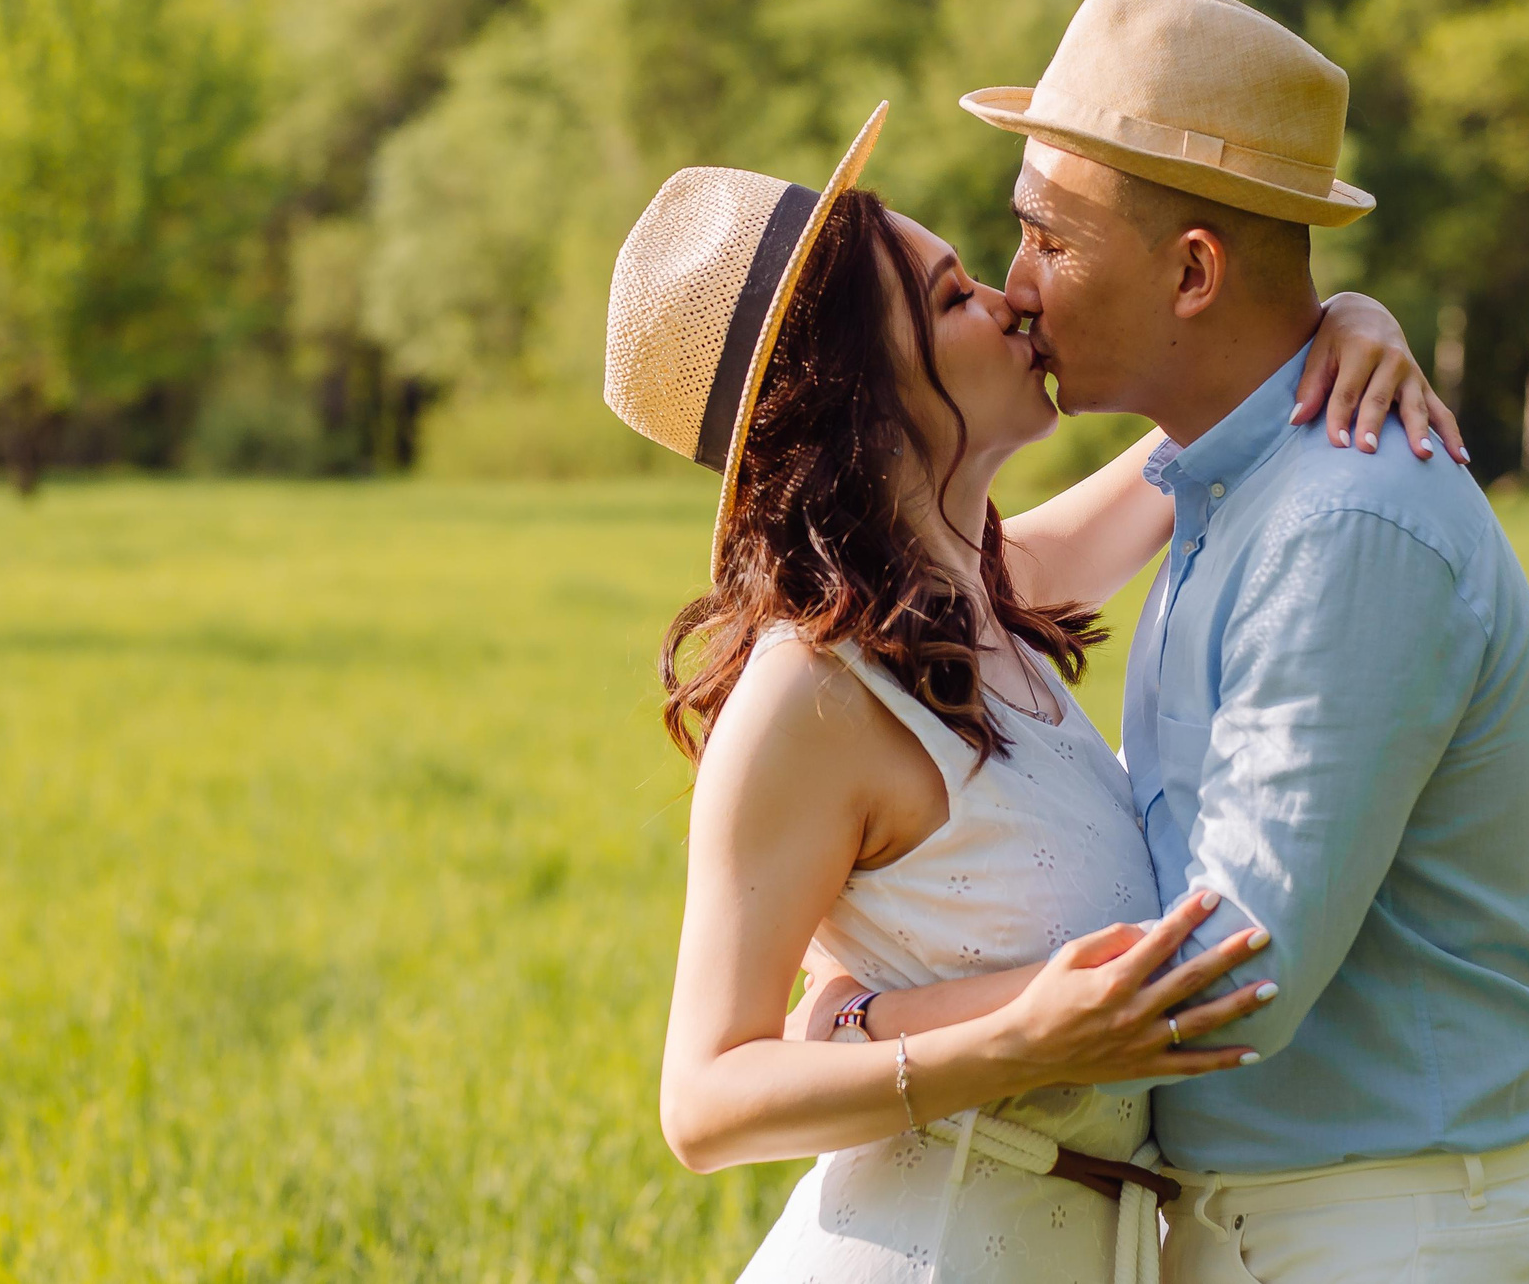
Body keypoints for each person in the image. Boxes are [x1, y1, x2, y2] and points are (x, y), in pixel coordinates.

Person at [601, 99, 1463, 1283]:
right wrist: (1012, 1042)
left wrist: (1345, 323)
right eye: (953, 296)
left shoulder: (979, 605)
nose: (1011, 297)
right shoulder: (811, 693)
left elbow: (1212, 424)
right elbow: (703, 1101)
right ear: (866, 393)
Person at [956, 0, 1529, 1280]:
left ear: (1193, 269)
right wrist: (1334, 325)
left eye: (1046, 237)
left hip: (1378, 1237)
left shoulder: (1343, 521)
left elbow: (1236, 970)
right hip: (1276, 1225)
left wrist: (887, 1031)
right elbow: (958, 589)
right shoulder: (1227, 480)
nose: (1016, 285)